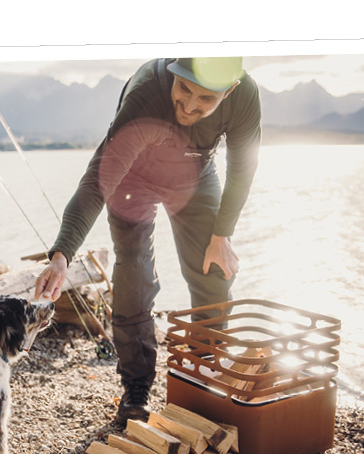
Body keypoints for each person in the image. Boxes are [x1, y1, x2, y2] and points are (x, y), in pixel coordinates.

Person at [34, 57, 262, 425]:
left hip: (194, 174)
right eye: (183, 88)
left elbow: (243, 168)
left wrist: (222, 235)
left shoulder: (245, 95)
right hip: (132, 178)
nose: (189, 106)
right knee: (134, 274)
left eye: (206, 99)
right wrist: (62, 255)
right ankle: (136, 387)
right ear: (174, 72)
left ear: (230, 91)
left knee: (214, 271)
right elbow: (95, 182)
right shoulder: (146, 94)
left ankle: (204, 377)